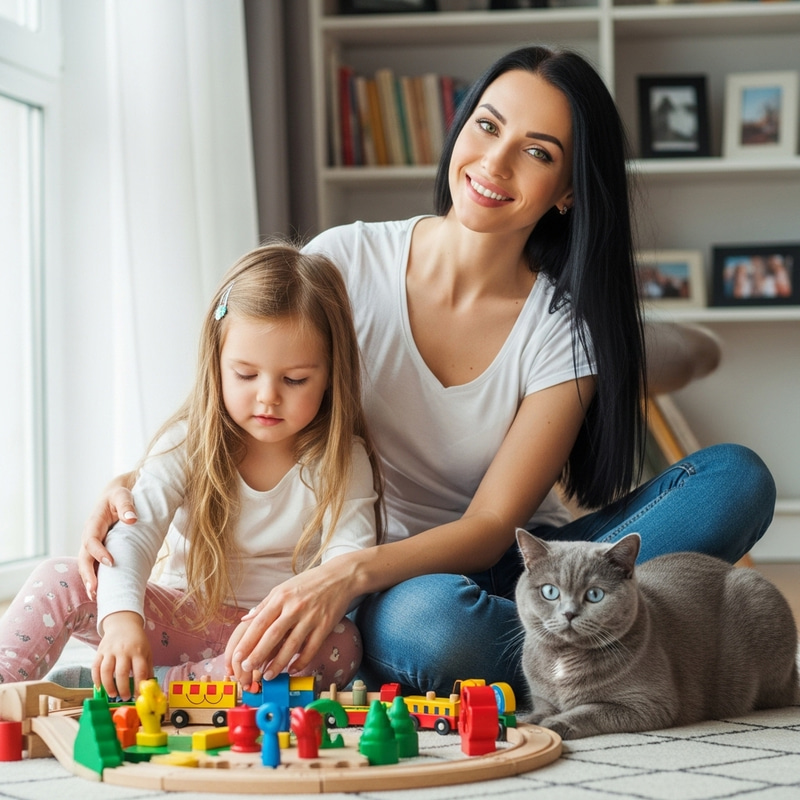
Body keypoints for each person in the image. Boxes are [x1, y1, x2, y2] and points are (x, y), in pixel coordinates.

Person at [78, 46, 775, 702]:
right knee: (431, 630)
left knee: (736, 481)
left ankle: (560, 655)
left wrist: (345, 574)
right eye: (487, 126)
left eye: (536, 152)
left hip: (524, 569)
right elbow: (238, 386)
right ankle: (600, 664)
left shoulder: (562, 328)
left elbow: (495, 523)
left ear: (566, 190)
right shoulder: (344, 264)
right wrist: (133, 483)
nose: (494, 163)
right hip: (398, 588)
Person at [0, 243, 383, 700]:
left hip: (269, 639)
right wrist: (123, 621)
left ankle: (158, 690)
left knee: (342, 641)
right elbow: (134, 536)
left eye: (295, 379)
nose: (268, 397)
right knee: (59, 576)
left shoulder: (344, 459)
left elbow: (347, 563)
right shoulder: (188, 441)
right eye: (245, 374)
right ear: (216, 365)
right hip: (174, 621)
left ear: (330, 375)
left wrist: (283, 623)